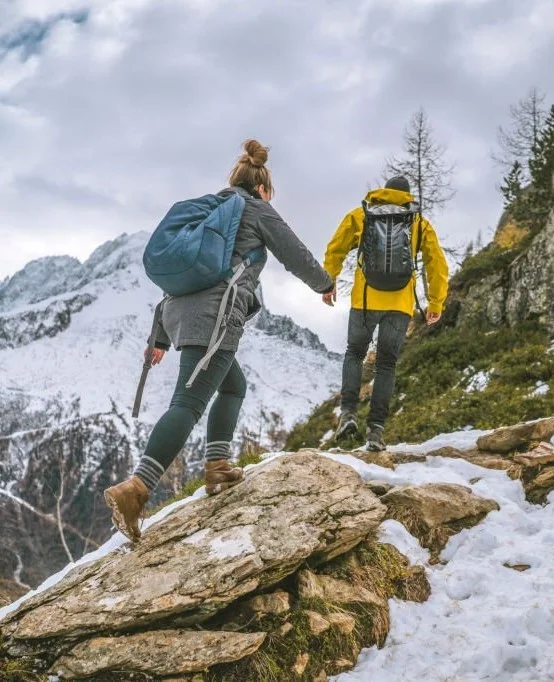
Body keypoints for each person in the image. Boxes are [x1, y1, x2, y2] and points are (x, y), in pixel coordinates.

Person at [104, 140, 334, 542]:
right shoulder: (255, 209)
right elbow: (293, 252)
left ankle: (217, 467)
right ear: (262, 188)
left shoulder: (207, 211)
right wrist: (324, 283)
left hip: (180, 314)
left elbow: (182, 278)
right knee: (188, 403)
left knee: (233, 385)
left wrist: (158, 336)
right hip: (216, 317)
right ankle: (137, 489)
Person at [322, 175, 448, 451]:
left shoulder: (362, 214)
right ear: (407, 196)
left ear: (384, 192)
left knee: (355, 354)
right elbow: (436, 262)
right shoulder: (418, 222)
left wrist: (328, 281)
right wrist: (436, 302)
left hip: (365, 300)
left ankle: (348, 414)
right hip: (400, 304)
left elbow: (336, 249)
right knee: (387, 364)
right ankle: (376, 431)